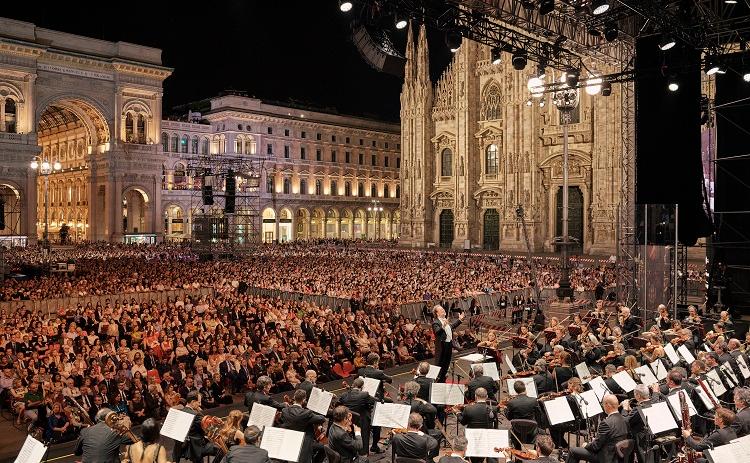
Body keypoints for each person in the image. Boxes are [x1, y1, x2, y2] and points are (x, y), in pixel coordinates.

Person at [567, 394, 628, 463]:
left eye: (603, 405)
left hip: (606, 457)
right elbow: (613, 437)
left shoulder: (606, 423)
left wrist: (586, 445)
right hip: (617, 456)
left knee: (573, 451)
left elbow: (595, 447)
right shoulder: (624, 419)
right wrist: (596, 440)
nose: (603, 407)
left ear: (607, 405)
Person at [357, 353, 391, 454]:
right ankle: (375, 446)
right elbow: (390, 379)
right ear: (376, 362)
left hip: (363, 399)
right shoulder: (378, 372)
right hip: (375, 399)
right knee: (377, 423)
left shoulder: (360, 370)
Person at [280, 389, 326, 463]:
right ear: (304, 400)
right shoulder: (306, 413)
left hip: (290, 440)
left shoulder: (284, 411)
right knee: (324, 448)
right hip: (304, 442)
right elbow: (322, 419)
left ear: (294, 397)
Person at [336, 377, 376, 456]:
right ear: (362, 387)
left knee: (351, 438)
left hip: (348, 421)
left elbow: (338, 403)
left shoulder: (344, 395)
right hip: (362, 421)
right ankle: (364, 454)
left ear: (353, 385)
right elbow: (374, 400)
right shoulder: (364, 394)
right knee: (364, 437)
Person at [432, 305, 465, 383]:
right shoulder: (435, 322)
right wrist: (443, 326)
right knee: (440, 364)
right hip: (442, 346)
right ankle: (438, 381)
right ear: (437, 313)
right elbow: (437, 332)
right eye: (441, 310)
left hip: (449, 344)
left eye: (443, 309)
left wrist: (459, 320)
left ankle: (443, 379)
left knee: (447, 363)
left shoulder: (445, 320)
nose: (443, 310)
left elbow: (452, 326)